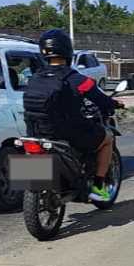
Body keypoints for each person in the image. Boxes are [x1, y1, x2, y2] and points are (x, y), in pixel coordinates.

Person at [22, 29, 124, 203]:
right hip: (68, 134)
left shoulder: (34, 78)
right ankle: (98, 187)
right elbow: (100, 99)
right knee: (107, 138)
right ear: (67, 50)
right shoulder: (77, 79)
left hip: (36, 133)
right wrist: (114, 104)